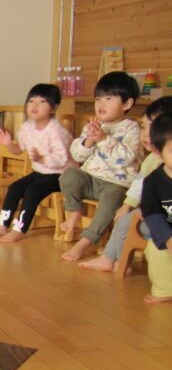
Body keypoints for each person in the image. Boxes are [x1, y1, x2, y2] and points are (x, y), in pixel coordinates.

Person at [79, 96, 172, 271]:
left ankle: (119, 261)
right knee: (124, 219)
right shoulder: (152, 159)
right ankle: (113, 259)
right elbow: (141, 185)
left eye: (153, 127)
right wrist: (128, 206)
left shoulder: (159, 161)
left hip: (161, 220)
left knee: (126, 222)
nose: (145, 134)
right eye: (143, 127)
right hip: (155, 215)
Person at [59, 71, 141, 261]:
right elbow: (76, 154)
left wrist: (103, 139)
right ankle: (74, 211)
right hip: (90, 179)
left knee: (111, 200)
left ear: (127, 104)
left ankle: (86, 241)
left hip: (116, 183)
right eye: (98, 99)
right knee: (69, 175)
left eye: (108, 99)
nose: (101, 104)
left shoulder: (131, 127)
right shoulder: (94, 124)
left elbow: (126, 158)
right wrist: (88, 140)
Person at [0, 83, 74, 242]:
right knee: (15, 187)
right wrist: (8, 144)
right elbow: (18, 150)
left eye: (42, 102)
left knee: (32, 191)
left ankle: (20, 228)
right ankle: (2, 224)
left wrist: (43, 158)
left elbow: (62, 159)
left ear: (53, 108)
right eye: (32, 101)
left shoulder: (56, 130)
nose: (35, 105)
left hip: (61, 175)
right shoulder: (27, 127)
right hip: (40, 172)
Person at [140, 111, 172, 304]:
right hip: (167, 231)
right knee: (155, 251)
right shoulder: (153, 181)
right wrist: (168, 239)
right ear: (158, 152)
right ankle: (165, 289)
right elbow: (151, 213)